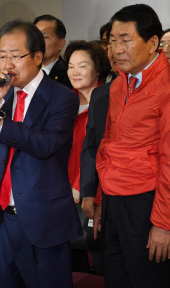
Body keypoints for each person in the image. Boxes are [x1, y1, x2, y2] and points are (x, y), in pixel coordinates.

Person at [95, 4, 170, 287]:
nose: (117, 49)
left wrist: (165, 224)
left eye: (125, 40)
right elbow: (108, 142)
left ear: (153, 43)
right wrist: (102, 198)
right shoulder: (119, 83)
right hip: (114, 201)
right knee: (117, 279)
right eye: (113, 40)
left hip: (148, 203)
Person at [0, 19, 82, 287]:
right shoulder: (5, 95)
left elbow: (45, 144)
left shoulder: (62, 97)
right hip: (3, 218)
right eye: (2, 56)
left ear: (37, 56)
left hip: (43, 219)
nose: (7, 65)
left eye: (15, 56)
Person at [64, 40, 110, 272]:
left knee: (100, 265)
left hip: (96, 194)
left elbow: (100, 152)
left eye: (82, 66)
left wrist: (83, 187)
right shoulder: (62, 102)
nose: (75, 72)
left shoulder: (110, 101)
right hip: (61, 195)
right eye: (71, 66)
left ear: (98, 68)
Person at [34, 14, 72, 89]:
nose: (38, 41)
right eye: (35, 37)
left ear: (61, 44)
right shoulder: (23, 73)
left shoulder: (69, 76)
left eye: (45, 37)